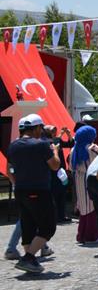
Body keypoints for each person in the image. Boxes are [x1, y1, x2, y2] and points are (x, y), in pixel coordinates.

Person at [7, 114, 61, 274]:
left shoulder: (13, 146)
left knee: (27, 224)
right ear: (37, 128)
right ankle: (29, 257)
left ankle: (30, 261)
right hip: (39, 190)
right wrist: (55, 151)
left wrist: (16, 182)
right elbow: (55, 166)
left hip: (20, 190)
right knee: (48, 226)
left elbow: (8, 170)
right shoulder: (41, 145)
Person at [70, 125, 98, 243]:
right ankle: (91, 235)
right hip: (92, 179)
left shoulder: (74, 149)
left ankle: (82, 235)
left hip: (79, 179)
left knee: (83, 207)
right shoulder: (92, 148)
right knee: (92, 207)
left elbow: (70, 167)